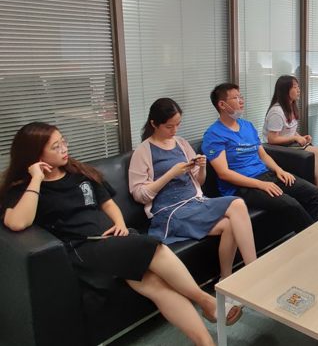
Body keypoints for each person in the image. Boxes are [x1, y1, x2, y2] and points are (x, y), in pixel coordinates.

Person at [1, 123, 241, 346]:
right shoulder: (24, 187)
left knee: (156, 286)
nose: (64, 149)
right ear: (37, 155)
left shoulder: (78, 173)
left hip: (113, 239)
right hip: (83, 248)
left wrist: (120, 223)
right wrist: (36, 179)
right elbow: (17, 222)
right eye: (56, 147)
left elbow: (107, 204)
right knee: (153, 246)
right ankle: (205, 301)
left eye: (63, 142)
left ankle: (206, 343)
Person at [129, 98, 257, 282]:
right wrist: (171, 174)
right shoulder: (143, 151)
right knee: (236, 203)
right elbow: (139, 195)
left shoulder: (181, 143)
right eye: (169, 126)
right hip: (169, 212)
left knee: (230, 223)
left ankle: (226, 280)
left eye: (177, 124)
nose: (174, 130)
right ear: (154, 124)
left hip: (195, 202)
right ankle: (254, 272)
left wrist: (202, 167)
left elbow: (199, 181)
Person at [202, 83, 318, 234]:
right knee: (291, 205)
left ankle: (311, 237)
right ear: (222, 104)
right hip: (241, 187)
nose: (241, 101)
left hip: (264, 175)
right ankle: (314, 239)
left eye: (241, 97)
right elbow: (224, 173)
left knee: (313, 192)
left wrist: (279, 170)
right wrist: (260, 185)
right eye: (236, 98)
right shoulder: (213, 134)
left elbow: (263, 155)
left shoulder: (247, 126)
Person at [262, 76, 318, 215]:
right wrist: (295, 138)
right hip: (277, 149)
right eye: (294, 87)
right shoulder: (277, 111)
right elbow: (272, 139)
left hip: (288, 144)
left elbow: (289, 129)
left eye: (298, 86)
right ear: (285, 90)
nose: (298, 90)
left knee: (316, 152)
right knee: (317, 152)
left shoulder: (290, 107)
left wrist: (300, 137)